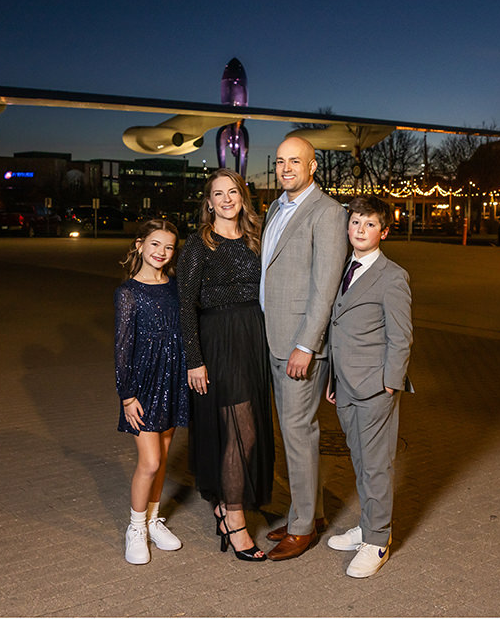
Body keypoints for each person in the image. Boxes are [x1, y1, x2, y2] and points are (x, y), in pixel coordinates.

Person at [177, 169, 273, 562]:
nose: (227, 199)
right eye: (219, 194)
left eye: (233, 191)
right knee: (242, 430)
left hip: (253, 338)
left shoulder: (255, 238)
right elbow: (185, 305)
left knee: (247, 428)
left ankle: (224, 504)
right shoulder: (200, 244)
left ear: (241, 197)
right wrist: (194, 361)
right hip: (219, 341)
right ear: (209, 202)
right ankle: (234, 519)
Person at [259, 136, 348, 561]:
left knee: (298, 433)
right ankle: (310, 514)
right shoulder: (276, 207)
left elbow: (326, 287)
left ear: (313, 166)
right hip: (273, 337)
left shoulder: (328, 213)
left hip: (299, 346)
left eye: (295, 161)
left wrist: (306, 346)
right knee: (294, 433)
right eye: (280, 161)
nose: (286, 167)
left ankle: (302, 529)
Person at [324, 195, 413, 578]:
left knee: (376, 465)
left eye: (370, 224)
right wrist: (331, 378)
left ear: (384, 232)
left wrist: (390, 384)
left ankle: (377, 541)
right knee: (360, 460)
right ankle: (367, 523)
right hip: (344, 384)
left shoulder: (392, 276)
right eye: (356, 222)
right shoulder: (346, 266)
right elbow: (337, 326)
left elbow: (402, 336)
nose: (360, 230)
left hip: (375, 387)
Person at [114, 219, 189, 565]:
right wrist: (127, 395)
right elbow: (122, 347)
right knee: (151, 461)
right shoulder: (128, 291)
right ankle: (136, 527)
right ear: (141, 245)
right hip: (143, 385)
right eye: (155, 244)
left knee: (164, 454)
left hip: (172, 379)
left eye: (169, 247)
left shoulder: (175, 286)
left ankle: (155, 519)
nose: (161, 252)